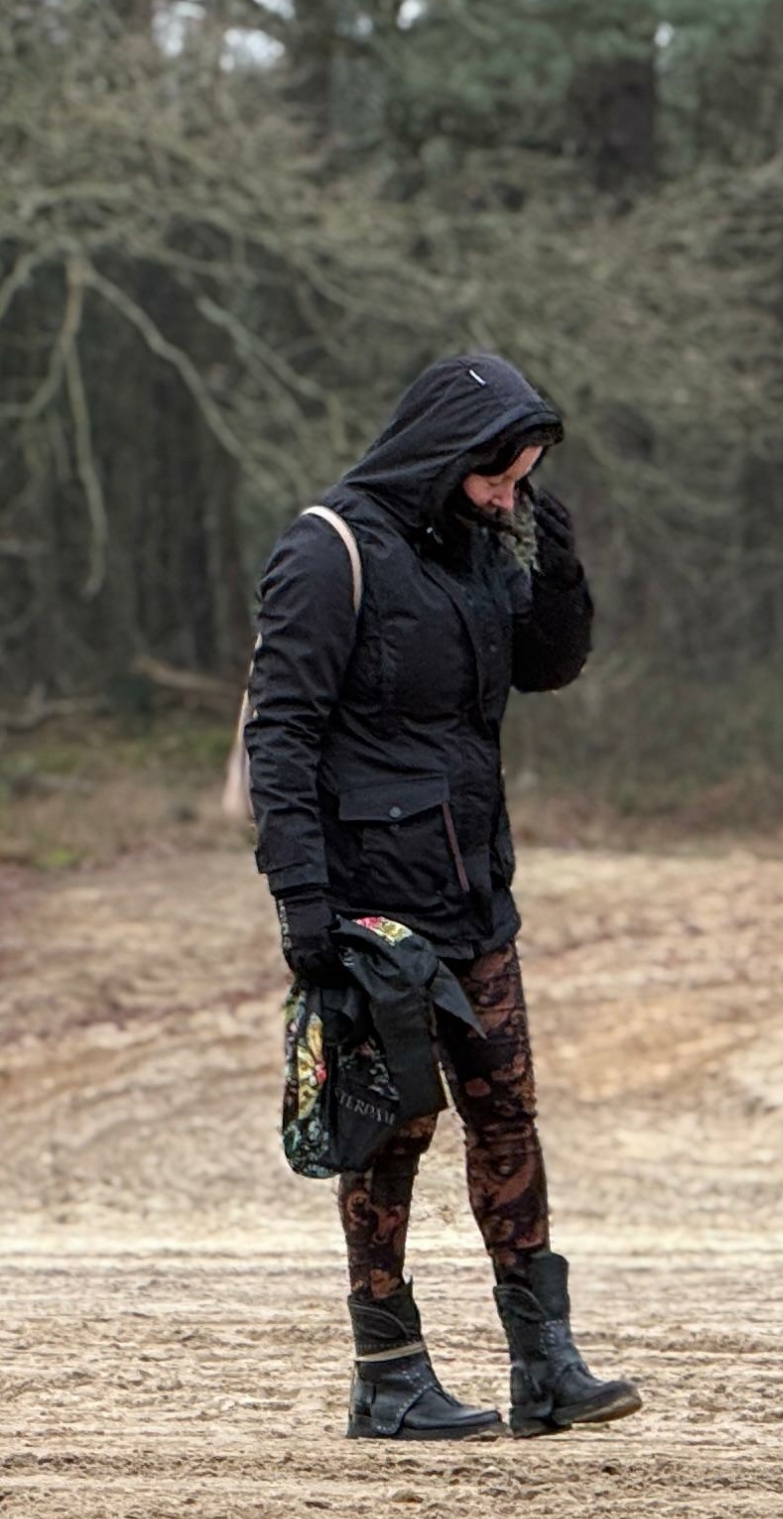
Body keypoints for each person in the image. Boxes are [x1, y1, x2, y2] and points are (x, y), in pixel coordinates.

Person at [243, 353, 642, 1444]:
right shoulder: (326, 555)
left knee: (507, 1110)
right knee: (392, 1129)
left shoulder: (476, 554)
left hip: (476, 891)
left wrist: (554, 566)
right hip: (374, 913)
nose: (508, 495)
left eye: (523, 479)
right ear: (443, 456)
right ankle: (387, 1369)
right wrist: (303, 906)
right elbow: (278, 736)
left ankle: (543, 1363)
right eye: (497, 476)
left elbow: (545, 667)